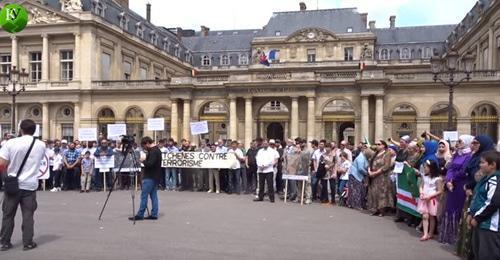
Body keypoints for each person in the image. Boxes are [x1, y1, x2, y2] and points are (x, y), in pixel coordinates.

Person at [0, 119, 46, 251]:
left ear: (20, 129)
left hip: (13, 184)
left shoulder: (11, 143)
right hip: (30, 184)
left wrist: (7, 174)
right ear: (34, 130)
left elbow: (2, 163)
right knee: (28, 215)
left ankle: (4, 242)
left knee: (8, 214)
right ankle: (28, 242)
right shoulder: (41, 145)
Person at [457, 135, 495, 258]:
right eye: (472, 142)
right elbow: (468, 171)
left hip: (479, 197)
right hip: (472, 193)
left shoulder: (489, 161)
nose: (473, 145)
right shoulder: (475, 156)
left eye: (476, 143)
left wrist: (470, 186)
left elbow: (479, 177)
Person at [438, 135, 474, 245]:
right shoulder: (456, 154)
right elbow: (450, 168)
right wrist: (448, 180)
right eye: (458, 141)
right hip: (451, 185)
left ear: (467, 142)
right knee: (449, 208)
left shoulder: (469, 156)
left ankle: (457, 238)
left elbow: (463, 171)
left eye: (460, 141)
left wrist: (452, 180)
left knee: (458, 209)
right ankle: (448, 236)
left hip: (460, 185)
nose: (458, 143)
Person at [468, 151, 500, 260]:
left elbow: (493, 202)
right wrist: (470, 212)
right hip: (480, 223)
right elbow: (477, 198)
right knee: (477, 253)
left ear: (493, 165)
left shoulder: (495, 180)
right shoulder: (485, 179)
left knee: (487, 255)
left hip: (489, 225)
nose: (480, 165)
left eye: (482, 163)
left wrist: (478, 218)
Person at [129, 137, 162, 221]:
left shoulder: (154, 151)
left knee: (144, 196)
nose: (144, 148)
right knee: (153, 195)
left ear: (147, 143)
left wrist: (143, 161)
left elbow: (150, 164)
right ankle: (154, 213)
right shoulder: (156, 150)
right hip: (155, 176)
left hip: (150, 176)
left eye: (144, 146)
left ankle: (140, 214)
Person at [417, 160, 444, 241]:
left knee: (432, 216)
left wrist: (430, 196)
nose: (424, 169)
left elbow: (439, 190)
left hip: (432, 199)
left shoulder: (437, 179)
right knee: (425, 216)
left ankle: (430, 233)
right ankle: (425, 233)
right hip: (424, 198)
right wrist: (421, 192)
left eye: (426, 167)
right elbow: (421, 186)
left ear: (431, 168)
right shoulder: (424, 177)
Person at [367, 140, 393, 217]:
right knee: (374, 193)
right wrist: (369, 171)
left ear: (383, 145)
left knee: (382, 193)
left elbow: (386, 166)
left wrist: (375, 173)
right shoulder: (375, 153)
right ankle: (375, 209)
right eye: (376, 144)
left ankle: (382, 210)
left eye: (379, 144)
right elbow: (370, 163)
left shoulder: (387, 153)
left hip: (382, 177)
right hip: (373, 177)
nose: (377, 145)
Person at [347, 144, 371, 210]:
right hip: (355, 175)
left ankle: (358, 204)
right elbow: (360, 169)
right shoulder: (361, 158)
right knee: (356, 191)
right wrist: (367, 173)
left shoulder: (363, 157)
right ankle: (356, 205)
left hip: (357, 176)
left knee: (360, 191)